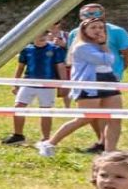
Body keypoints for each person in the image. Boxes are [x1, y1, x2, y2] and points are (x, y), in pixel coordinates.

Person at [42, 18, 123, 157]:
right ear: (84, 31)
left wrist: (104, 46)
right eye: (93, 27)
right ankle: (49, 143)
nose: (98, 30)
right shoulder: (81, 47)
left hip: (109, 80)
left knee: (115, 118)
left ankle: (109, 152)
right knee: (85, 118)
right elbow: (106, 59)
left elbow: (111, 60)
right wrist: (104, 45)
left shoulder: (101, 45)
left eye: (100, 27)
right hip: (89, 83)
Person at [69, 4, 128, 151]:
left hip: (111, 76)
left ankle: (107, 146)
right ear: (80, 16)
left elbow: (127, 52)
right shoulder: (75, 33)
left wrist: (121, 69)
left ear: (103, 14)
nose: (91, 15)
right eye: (86, 13)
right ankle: (102, 141)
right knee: (92, 114)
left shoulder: (117, 31)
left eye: (95, 12)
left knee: (110, 115)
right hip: (88, 78)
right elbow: (73, 57)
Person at [5, 27, 69, 146]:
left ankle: (45, 138)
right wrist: (16, 84)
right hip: (28, 83)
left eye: (45, 33)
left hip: (48, 85)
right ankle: (18, 135)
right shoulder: (26, 50)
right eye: (39, 33)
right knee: (18, 107)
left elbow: (60, 67)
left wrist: (63, 85)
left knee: (45, 111)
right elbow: (20, 67)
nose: (42, 36)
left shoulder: (55, 49)